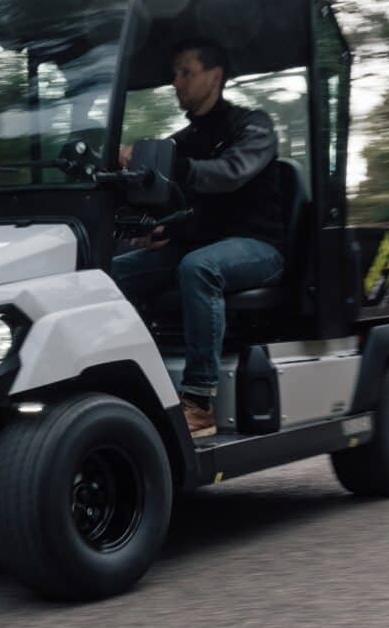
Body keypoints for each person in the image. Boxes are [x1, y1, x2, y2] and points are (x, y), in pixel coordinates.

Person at [111, 38, 285, 436]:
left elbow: (230, 173)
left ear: (215, 77)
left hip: (259, 248)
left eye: (185, 72)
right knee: (112, 271)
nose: (176, 82)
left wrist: (170, 164)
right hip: (203, 245)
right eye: (174, 75)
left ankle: (199, 401)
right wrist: (147, 220)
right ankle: (130, 381)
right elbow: (167, 197)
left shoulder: (253, 125)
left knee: (198, 267)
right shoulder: (183, 140)